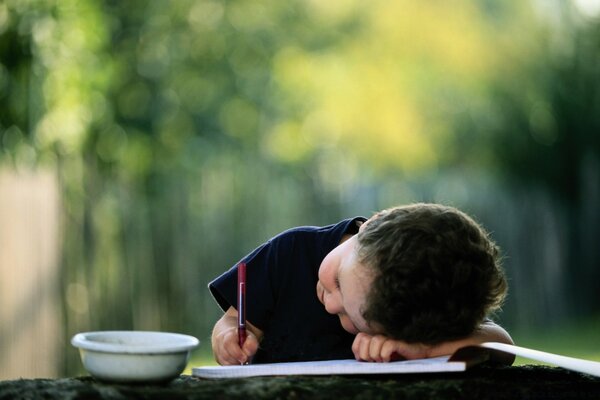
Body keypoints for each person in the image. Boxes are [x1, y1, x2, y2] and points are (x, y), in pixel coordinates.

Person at [209, 203, 514, 365]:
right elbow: (234, 320)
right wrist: (228, 337)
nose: (329, 302)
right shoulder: (289, 253)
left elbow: (501, 344)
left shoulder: (418, 303)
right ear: (369, 224)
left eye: (350, 319)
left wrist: (419, 348)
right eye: (338, 281)